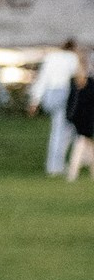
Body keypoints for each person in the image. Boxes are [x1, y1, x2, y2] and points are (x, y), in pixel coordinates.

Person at [33, 40, 81, 175]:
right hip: (64, 92)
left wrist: (35, 99)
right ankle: (55, 166)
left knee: (62, 130)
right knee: (61, 131)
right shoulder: (72, 58)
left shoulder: (51, 57)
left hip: (50, 93)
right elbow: (79, 77)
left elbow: (42, 79)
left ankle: (58, 163)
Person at [67, 54, 94, 182]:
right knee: (82, 143)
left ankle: (77, 171)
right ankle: (73, 172)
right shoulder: (82, 84)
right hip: (83, 119)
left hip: (83, 118)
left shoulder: (79, 84)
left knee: (86, 145)